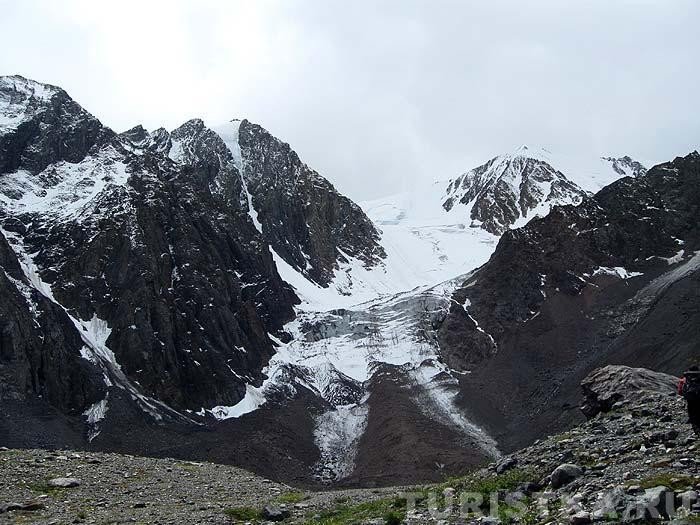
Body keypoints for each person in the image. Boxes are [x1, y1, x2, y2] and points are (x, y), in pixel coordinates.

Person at [678, 365, 700, 435]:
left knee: (692, 414)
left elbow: (680, 391)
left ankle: (696, 430)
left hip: (690, 399)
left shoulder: (685, 379)